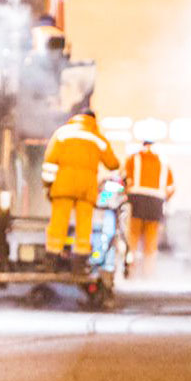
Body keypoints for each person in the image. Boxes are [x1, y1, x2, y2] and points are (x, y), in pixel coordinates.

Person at [42, 110, 120, 274]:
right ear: (93, 120)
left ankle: (51, 261)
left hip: (63, 186)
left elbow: (49, 162)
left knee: (58, 223)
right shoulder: (97, 137)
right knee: (84, 225)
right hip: (87, 189)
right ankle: (79, 263)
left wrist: (48, 185)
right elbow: (113, 164)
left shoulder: (62, 133)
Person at [122, 139, 175, 278]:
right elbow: (171, 188)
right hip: (156, 204)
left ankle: (130, 273)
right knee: (151, 242)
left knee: (132, 239)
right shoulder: (163, 163)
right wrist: (164, 199)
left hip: (136, 202)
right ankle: (148, 274)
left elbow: (124, 180)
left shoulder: (133, 159)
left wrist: (125, 194)